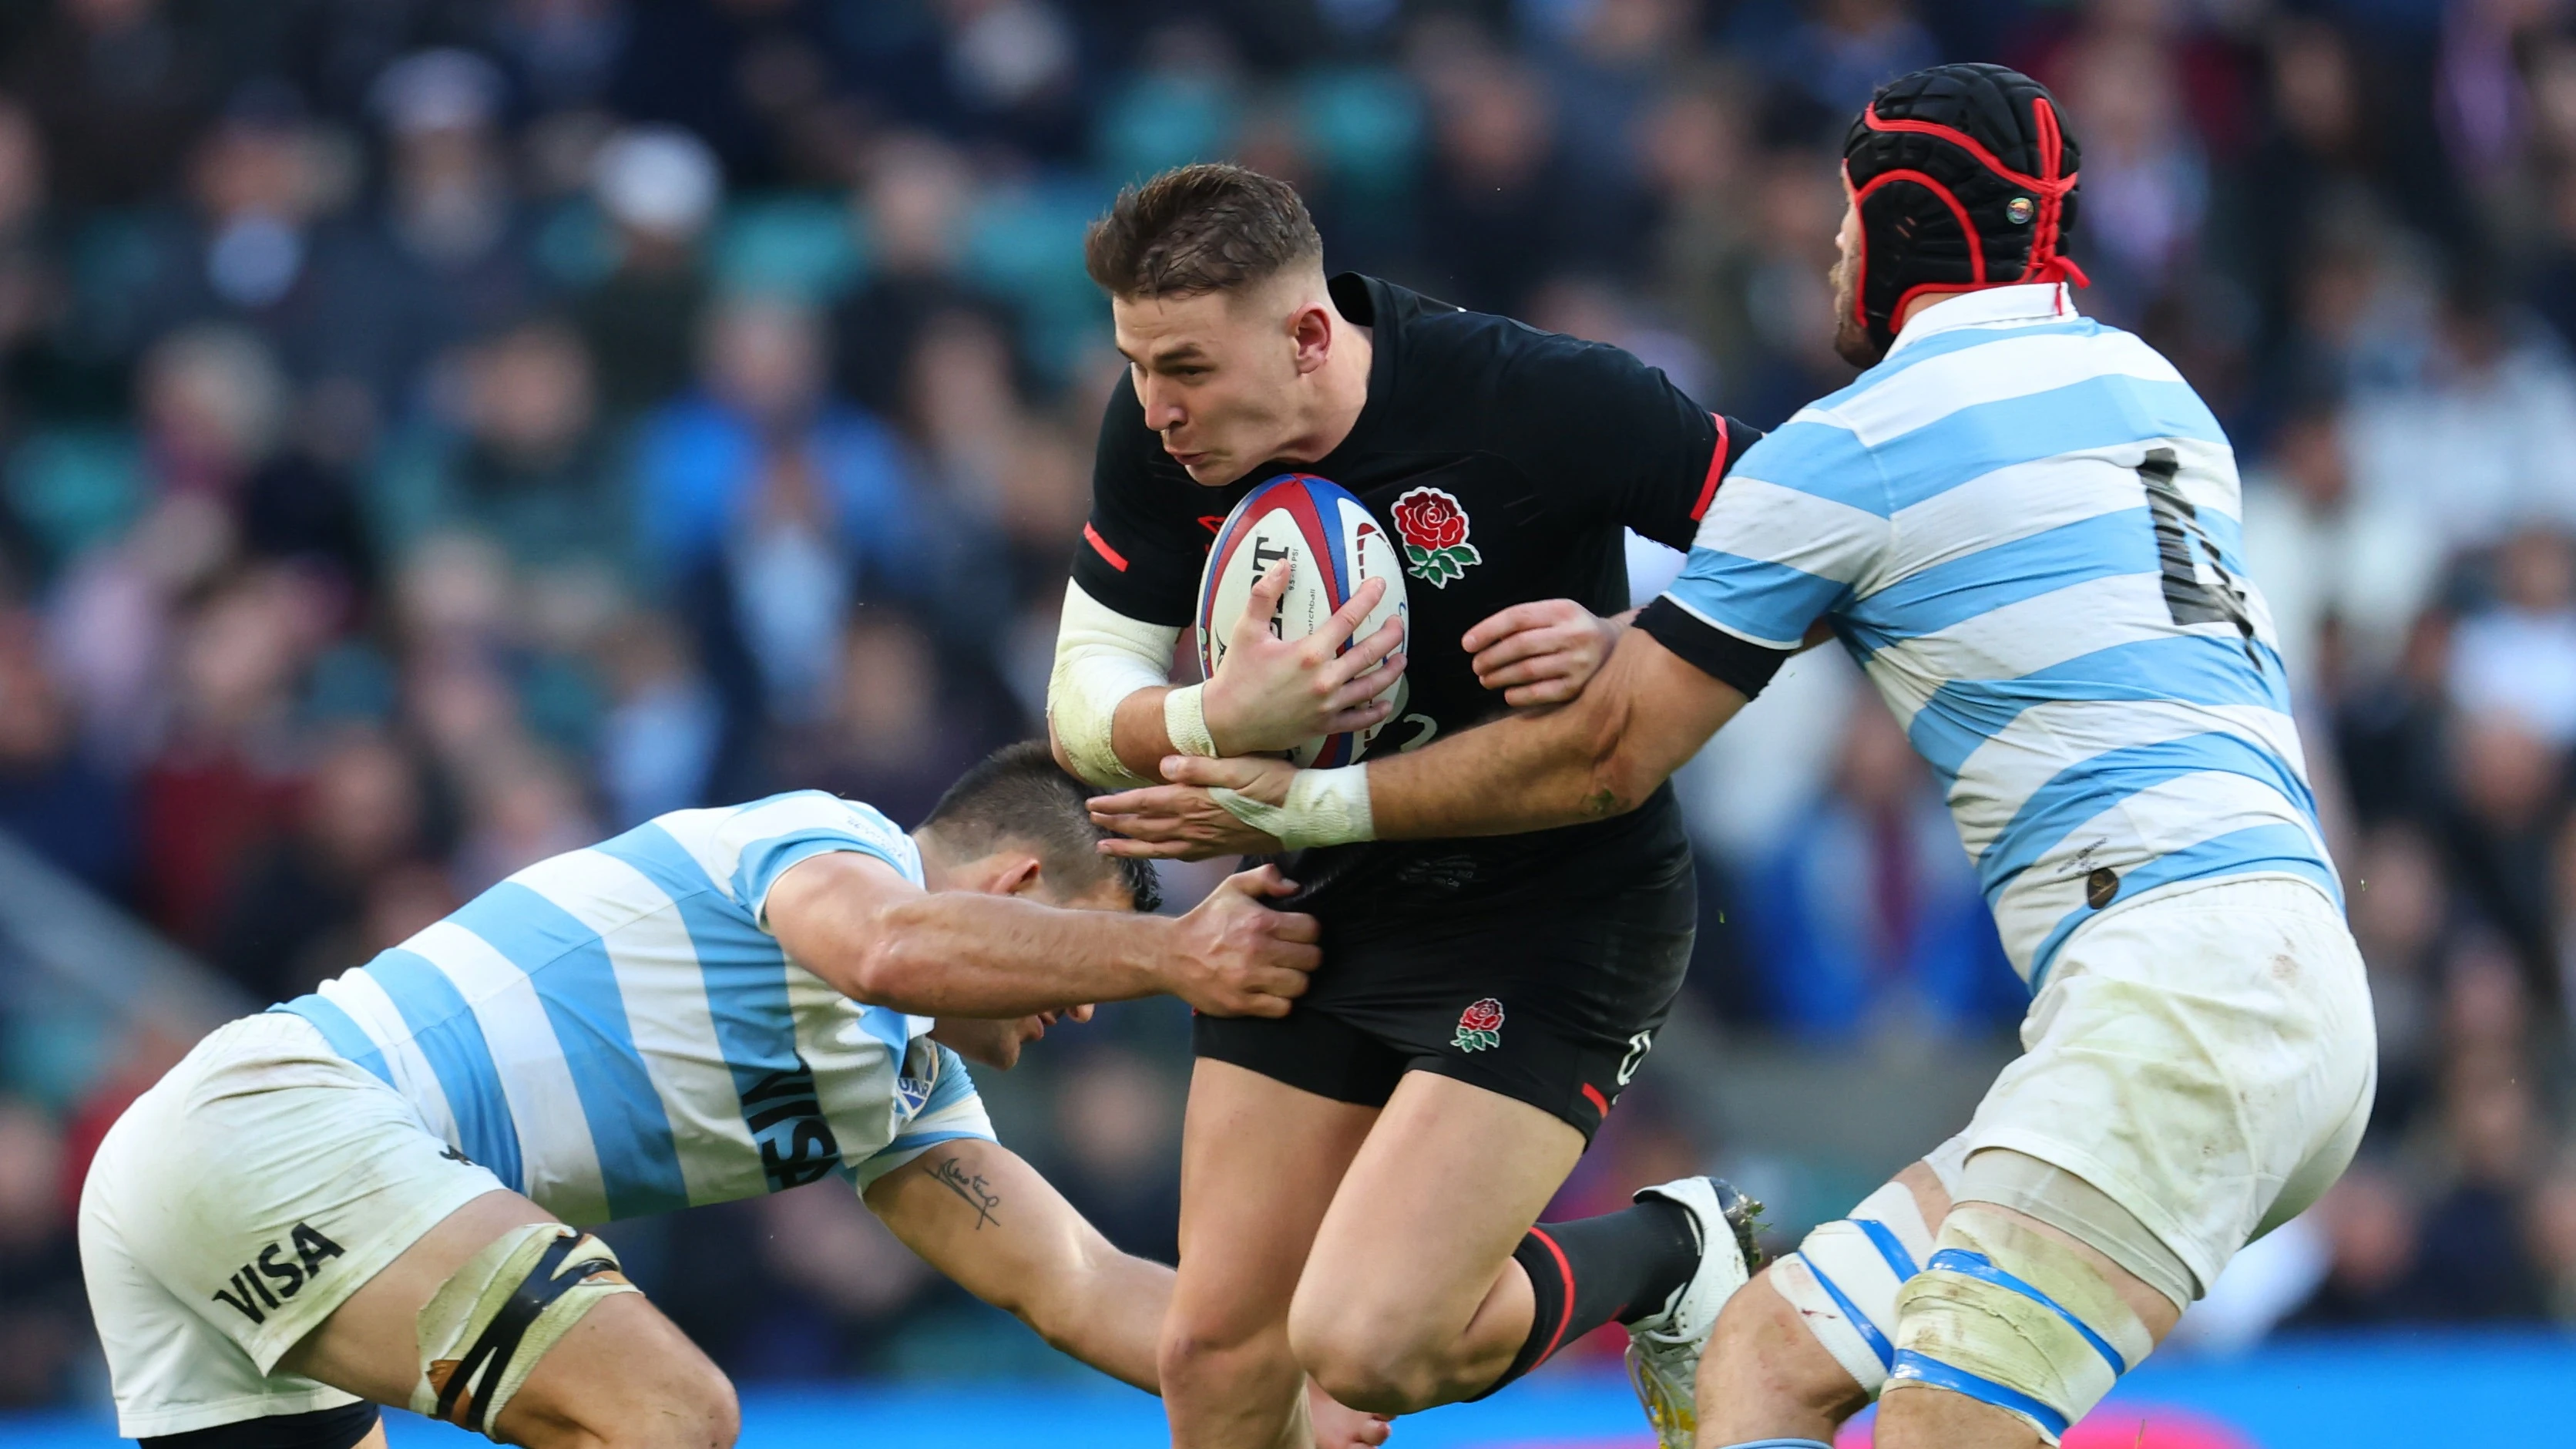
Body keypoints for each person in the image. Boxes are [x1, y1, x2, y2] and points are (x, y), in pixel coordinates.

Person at [1093, 66, 2376, 1449]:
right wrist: (1637, 636)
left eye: (1841, 219)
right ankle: (1693, 1265)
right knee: (1764, 1361)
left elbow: (1602, 758)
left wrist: (1312, 800)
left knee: (1947, 1426)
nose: (1825, 249)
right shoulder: (2148, 387)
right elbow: (1925, 581)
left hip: (2172, 1006)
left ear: (1891, 230)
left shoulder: (1860, 443)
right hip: (2277, 977)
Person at [1045, 163, 1764, 1449]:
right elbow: (1079, 698)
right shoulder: (1160, 431)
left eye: (1187, 370)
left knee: (1369, 1346)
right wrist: (1217, 723)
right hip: (1325, 904)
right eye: (1138, 365)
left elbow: (1816, 542)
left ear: (1309, 334)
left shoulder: (1538, 400)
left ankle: (1672, 1249)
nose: (1154, 407)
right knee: (1214, 1355)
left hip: (1554, 911)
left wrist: (1633, 638)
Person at [80, 742, 1387, 1449]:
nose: (1085, 1006)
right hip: (286, 1120)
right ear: (1018, 894)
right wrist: (1176, 955)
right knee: (670, 1418)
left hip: (198, 1184)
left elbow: (1079, 1287)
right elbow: (884, 947)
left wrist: (1297, 1384)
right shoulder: (835, 844)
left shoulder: (901, 1091)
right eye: (1086, 951)